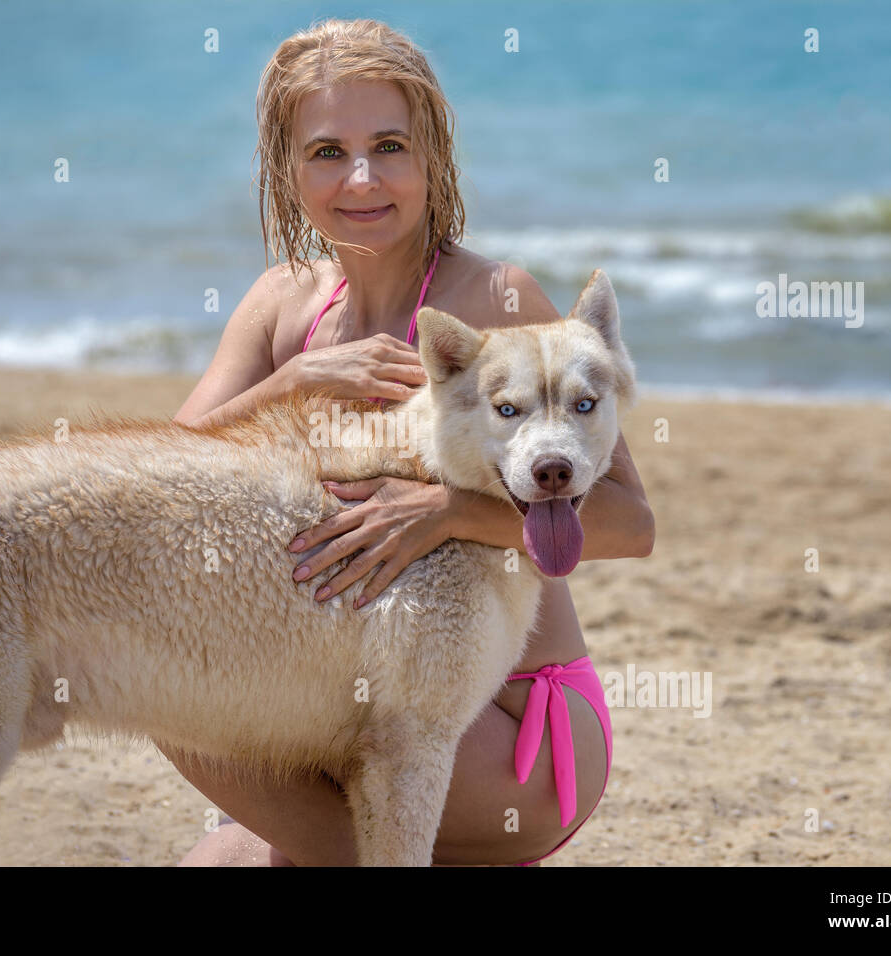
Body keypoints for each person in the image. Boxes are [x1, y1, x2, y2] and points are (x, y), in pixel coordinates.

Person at [167, 18, 654, 866]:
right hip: (342, 693)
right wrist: (290, 386)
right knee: (165, 708)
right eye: (326, 151)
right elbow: (158, 476)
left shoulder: (496, 298)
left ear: (432, 154)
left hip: (510, 726)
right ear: (285, 169)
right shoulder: (283, 305)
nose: (362, 178)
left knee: (182, 706)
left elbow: (628, 524)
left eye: (389, 145)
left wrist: (447, 510)